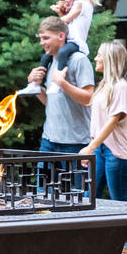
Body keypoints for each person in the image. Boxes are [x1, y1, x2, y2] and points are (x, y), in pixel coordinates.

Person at [79, 40, 127, 254]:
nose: (95, 58)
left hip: (117, 152)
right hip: (101, 149)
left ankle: (126, 249)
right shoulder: (104, 85)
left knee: (119, 201)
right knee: (90, 197)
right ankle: (93, 244)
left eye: (99, 55)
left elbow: (113, 120)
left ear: (110, 59)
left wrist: (91, 147)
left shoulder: (121, 86)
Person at [19, 0, 102, 96]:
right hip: (70, 40)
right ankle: (34, 84)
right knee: (46, 57)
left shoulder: (81, 4)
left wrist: (52, 24)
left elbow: (66, 20)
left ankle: (58, 83)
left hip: (75, 42)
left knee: (62, 53)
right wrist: (60, 13)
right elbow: (69, 23)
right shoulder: (86, 7)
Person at [26, 16, 95, 153]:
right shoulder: (51, 62)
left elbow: (89, 99)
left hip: (75, 143)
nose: (41, 43)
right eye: (40, 38)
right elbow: (50, 102)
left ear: (61, 36)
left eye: (46, 38)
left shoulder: (79, 60)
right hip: (48, 140)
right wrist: (36, 86)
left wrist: (62, 83)